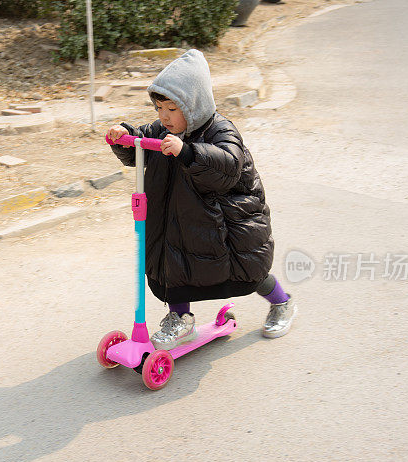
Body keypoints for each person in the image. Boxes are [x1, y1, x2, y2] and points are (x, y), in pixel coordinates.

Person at [106, 49, 297, 349]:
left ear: (193, 104)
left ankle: (282, 302)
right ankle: (181, 320)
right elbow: (139, 144)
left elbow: (228, 165)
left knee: (247, 275)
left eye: (173, 108)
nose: (164, 116)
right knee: (174, 271)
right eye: (159, 108)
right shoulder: (161, 129)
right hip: (178, 222)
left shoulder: (220, 130)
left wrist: (187, 152)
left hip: (225, 225)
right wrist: (125, 136)